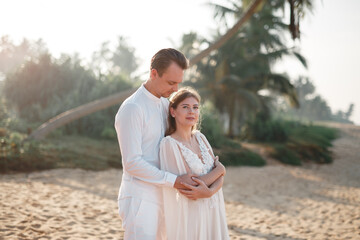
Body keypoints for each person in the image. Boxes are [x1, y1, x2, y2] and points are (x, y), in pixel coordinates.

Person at [114, 48, 225, 240]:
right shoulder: (133, 108)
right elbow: (131, 162)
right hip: (141, 197)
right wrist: (174, 180)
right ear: (153, 73)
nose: (175, 89)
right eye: (171, 82)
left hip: (169, 197)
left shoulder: (166, 106)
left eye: (178, 83)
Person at [160, 87, 229, 239]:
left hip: (214, 207)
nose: (191, 111)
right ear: (173, 111)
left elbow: (219, 178)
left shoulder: (200, 137)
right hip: (193, 212)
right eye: (185, 107)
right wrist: (220, 169)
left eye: (195, 107)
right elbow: (191, 184)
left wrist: (210, 191)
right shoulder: (169, 144)